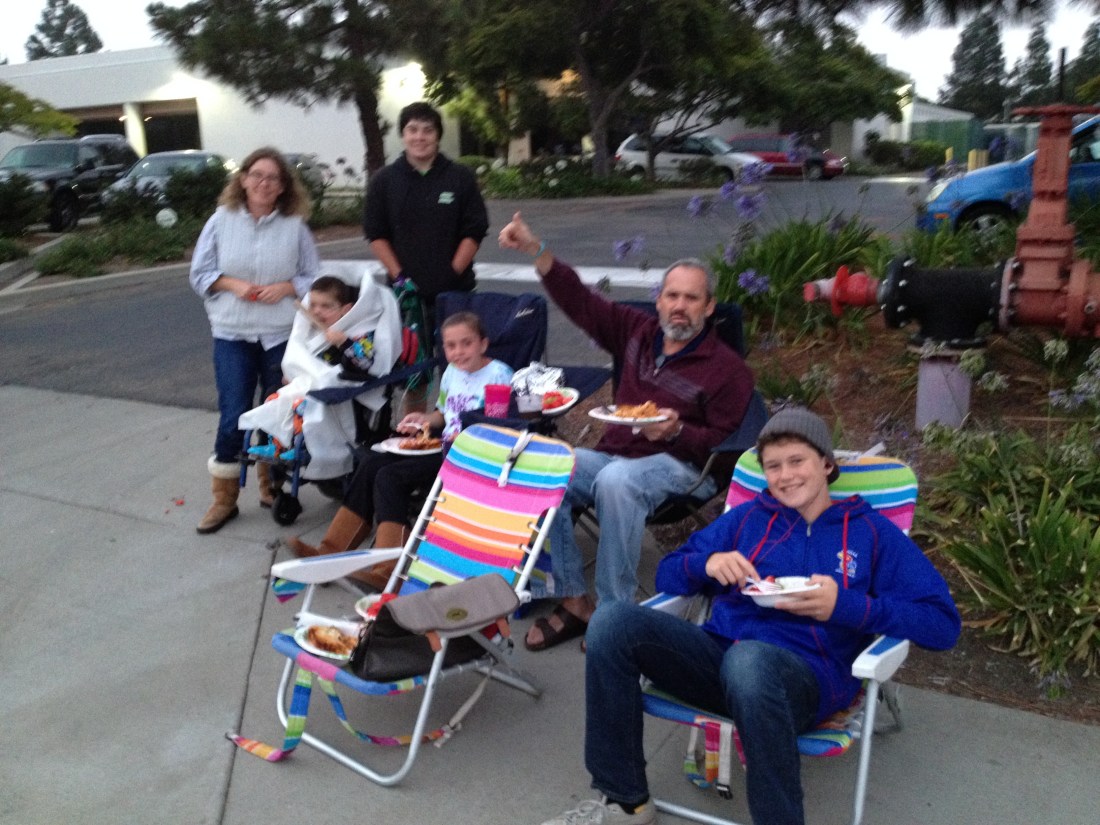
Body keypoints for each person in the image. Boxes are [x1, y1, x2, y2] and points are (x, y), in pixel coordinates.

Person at [537, 407, 962, 825]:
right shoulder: (748, 518)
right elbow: (670, 572)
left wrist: (847, 606)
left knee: (751, 662)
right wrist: (706, 565)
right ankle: (624, 802)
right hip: (717, 663)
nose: (785, 475)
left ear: (827, 465)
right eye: (773, 466)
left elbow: (942, 625)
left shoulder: (870, 533)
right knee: (612, 622)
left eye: (797, 461)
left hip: (804, 681)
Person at [497, 211, 755, 651]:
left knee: (616, 481)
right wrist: (535, 249)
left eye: (691, 298)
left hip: (686, 467)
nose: (679, 306)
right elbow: (579, 301)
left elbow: (725, 446)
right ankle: (576, 600)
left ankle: (616, 615)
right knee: (544, 465)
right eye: (672, 295)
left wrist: (674, 433)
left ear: (709, 307)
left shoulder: (727, 369)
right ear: (658, 300)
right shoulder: (636, 332)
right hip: (616, 454)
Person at [287, 311, 513, 589]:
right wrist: (423, 420)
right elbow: (444, 413)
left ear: (483, 344)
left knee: (390, 477)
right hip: (441, 445)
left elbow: (499, 427)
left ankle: (389, 568)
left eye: (466, 343)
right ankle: (329, 554)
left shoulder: (499, 375)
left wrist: (456, 437)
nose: (458, 352)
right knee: (371, 462)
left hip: (470, 456)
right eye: (451, 346)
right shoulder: (452, 372)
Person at [190, 146, 320, 534]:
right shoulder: (220, 220)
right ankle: (223, 499)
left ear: (283, 187)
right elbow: (200, 274)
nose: (264, 183)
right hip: (233, 332)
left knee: (278, 412)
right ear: (243, 179)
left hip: (280, 334)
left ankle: (270, 485)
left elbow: (313, 276)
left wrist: (286, 287)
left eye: (273, 178)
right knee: (234, 414)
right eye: (257, 175)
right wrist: (231, 284)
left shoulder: (295, 226)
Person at [363, 100, 489, 411]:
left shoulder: (459, 177)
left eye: (428, 130)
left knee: (459, 370)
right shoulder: (385, 180)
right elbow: (376, 234)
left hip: (454, 296)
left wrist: (451, 274)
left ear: (437, 135)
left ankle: (458, 437)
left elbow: (474, 230)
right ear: (403, 134)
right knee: (414, 376)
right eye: (413, 130)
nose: (420, 137)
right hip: (407, 298)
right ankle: (415, 441)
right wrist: (400, 276)